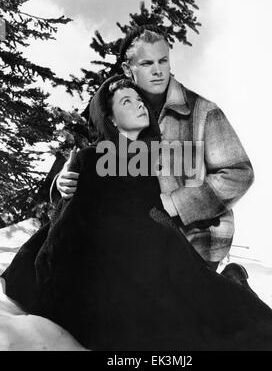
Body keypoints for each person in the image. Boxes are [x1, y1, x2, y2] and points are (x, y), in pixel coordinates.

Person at [3, 76, 272, 351]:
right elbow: (65, 235)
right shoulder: (92, 158)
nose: (139, 105)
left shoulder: (159, 158)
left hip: (170, 261)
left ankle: (234, 284)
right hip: (122, 280)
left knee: (237, 317)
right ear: (110, 120)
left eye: (139, 100)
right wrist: (62, 183)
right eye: (126, 102)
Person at [52, 25, 254, 279]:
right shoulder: (120, 107)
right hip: (139, 237)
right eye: (147, 63)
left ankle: (233, 288)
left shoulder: (203, 111)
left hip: (197, 239)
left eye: (163, 61)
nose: (158, 71)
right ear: (128, 69)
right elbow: (96, 163)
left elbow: (238, 173)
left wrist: (173, 204)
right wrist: (63, 183)